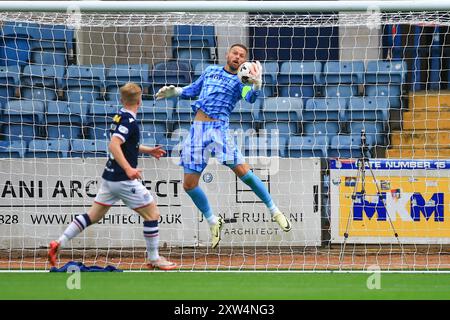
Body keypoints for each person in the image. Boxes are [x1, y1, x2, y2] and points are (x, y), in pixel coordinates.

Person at [155, 43, 291, 249]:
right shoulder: (210, 71)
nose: (237, 57)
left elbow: (250, 98)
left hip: (219, 129)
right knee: (189, 185)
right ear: (228, 54)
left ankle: (274, 211)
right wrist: (176, 91)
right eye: (235, 53)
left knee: (244, 172)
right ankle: (213, 221)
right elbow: (194, 89)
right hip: (197, 130)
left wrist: (257, 85)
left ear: (244, 62)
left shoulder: (241, 80)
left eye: (242, 56)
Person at [48, 82, 177, 270]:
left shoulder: (119, 116)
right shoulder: (129, 121)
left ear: (122, 99)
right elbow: (114, 145)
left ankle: (59, 242)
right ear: (140, 100)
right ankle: (154, 258)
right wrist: (128, 169)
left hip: (110, 178)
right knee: (153, 214)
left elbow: (124, 144)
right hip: (122, 179)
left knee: (92, 215)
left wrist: (148, 150)